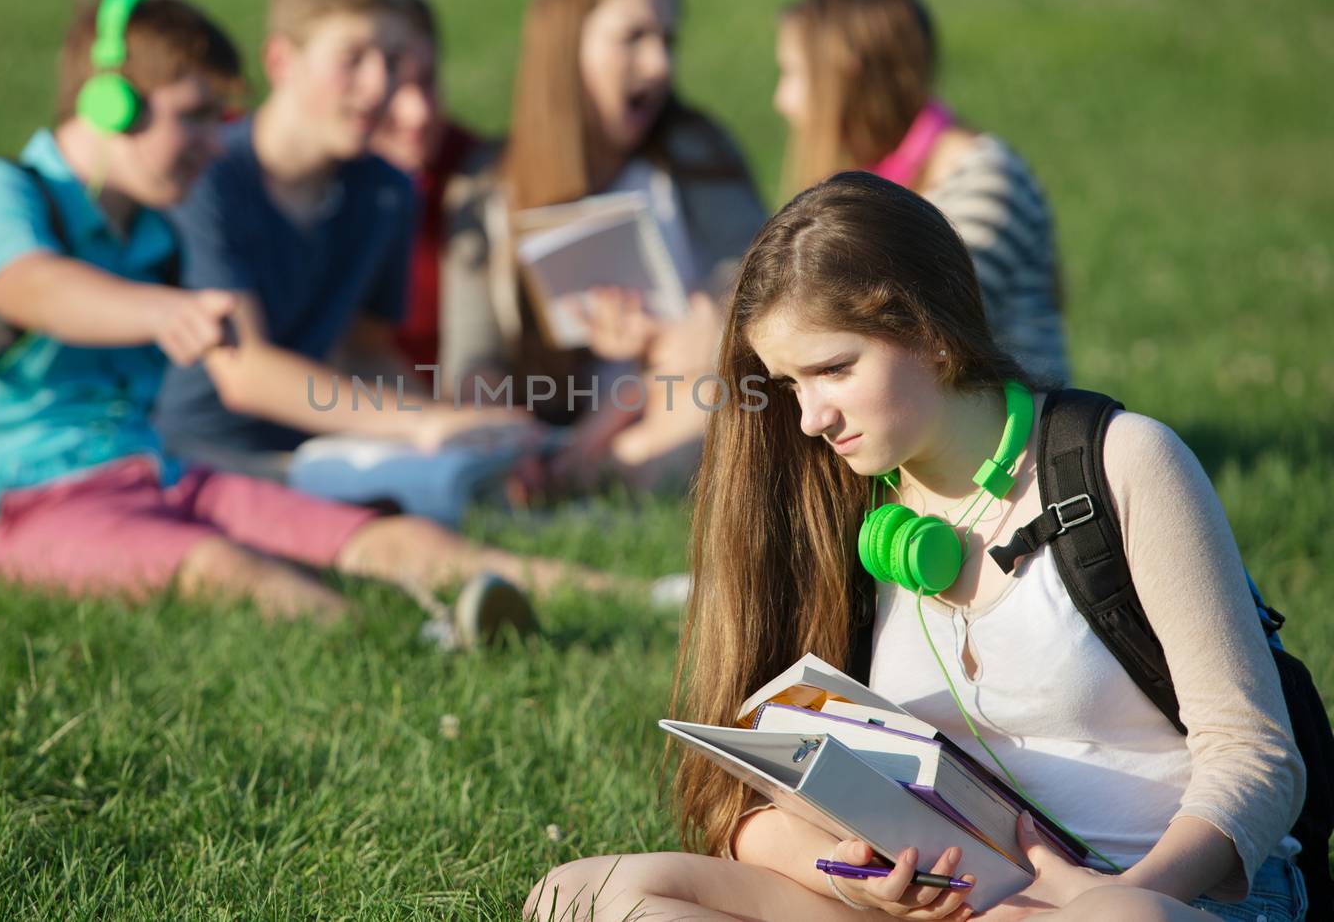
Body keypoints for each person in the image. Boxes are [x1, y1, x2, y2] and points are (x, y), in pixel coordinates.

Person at [527, 173, 1306, 920]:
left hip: (1173, 896)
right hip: (963, 906)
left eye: (833, 369)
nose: (810, 418)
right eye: (792, 383)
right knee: (576, 894)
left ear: (931, 333)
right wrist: (852, 873)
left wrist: (1106, 898)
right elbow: (743, 811)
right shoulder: (836, 501)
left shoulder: (1122, 460)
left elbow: (1258, 760)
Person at [0, 0, 591, 636]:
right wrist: (158, 310)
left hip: (148, 468)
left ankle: (641, 592)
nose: (215, 143)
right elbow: (35, 288)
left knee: (379, 537)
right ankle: (420, 649)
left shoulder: (152, 229)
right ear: (107, 104)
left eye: (219, 119)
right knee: (219, 566)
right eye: (192, 117)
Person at [153, 0, 519, 475]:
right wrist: (419, 422)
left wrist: (462, 428)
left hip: (318, 446)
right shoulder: (210, 177)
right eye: (353, 59)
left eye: (392, 61)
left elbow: (366, 351)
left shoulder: (386, 191)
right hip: (192, 452)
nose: (378, 86)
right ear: (282, 61)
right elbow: (245, 373)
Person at [440, 0, 769, 494]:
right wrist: (500, 427)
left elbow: (754, 293)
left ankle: (609, 472)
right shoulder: (485, 186)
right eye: (633, 38)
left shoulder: (697, 154)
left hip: (686, 393)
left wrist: (656, 347)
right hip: (550, 424)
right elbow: (472, 359)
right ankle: (577, 472)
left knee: (712, 402)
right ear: (566, 50)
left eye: (668, 40)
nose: (659, 64)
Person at [774, 0, 1071, 387]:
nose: (781, 100)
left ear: (848, 74)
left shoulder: (984, 178)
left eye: (793, 74)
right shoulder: (872, 180)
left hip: (1011, 428)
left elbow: (918, 330)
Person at [367, 0, 490, 387]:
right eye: (395, 86)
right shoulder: (301, 187)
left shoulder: (479, 170)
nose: (417, 114)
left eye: (428, 81)